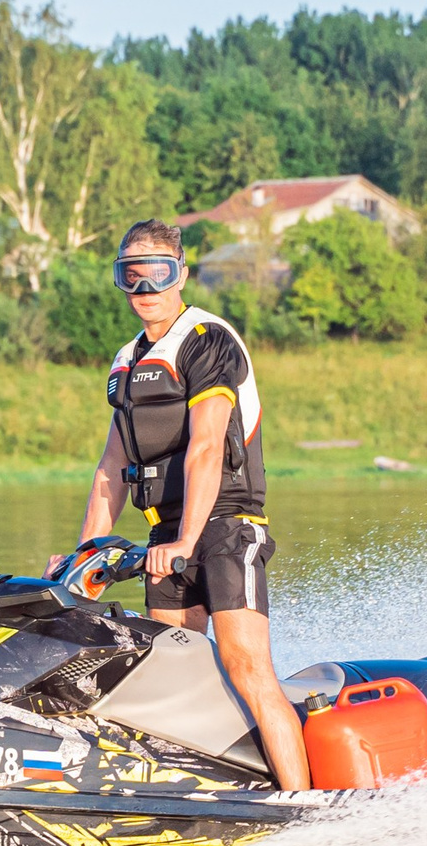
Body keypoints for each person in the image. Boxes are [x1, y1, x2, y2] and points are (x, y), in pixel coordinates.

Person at [48, 219, 311, 791]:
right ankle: (211, 797)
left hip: (226, 528)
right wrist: (84, 555)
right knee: (174, 677)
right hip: (165, 539)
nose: (145, 288)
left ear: (182, 275)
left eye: (158, 273)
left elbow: (207, 447)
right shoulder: (125, 361)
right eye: (131, 275)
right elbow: (110, 469)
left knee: (246, 668)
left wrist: (188, 541)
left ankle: (306, 808)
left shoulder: (207, 339)